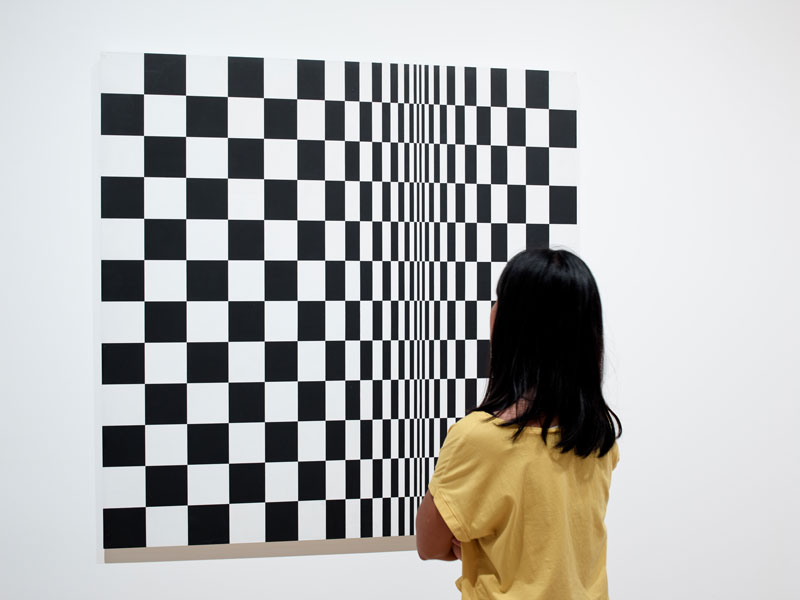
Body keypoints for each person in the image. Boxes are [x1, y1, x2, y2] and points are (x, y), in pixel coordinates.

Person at [415, 248, 622, 599]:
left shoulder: (478, 437)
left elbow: (429, 544)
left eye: (499, 300)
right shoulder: (597, 433)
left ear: (511, 325)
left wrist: (468, 541)